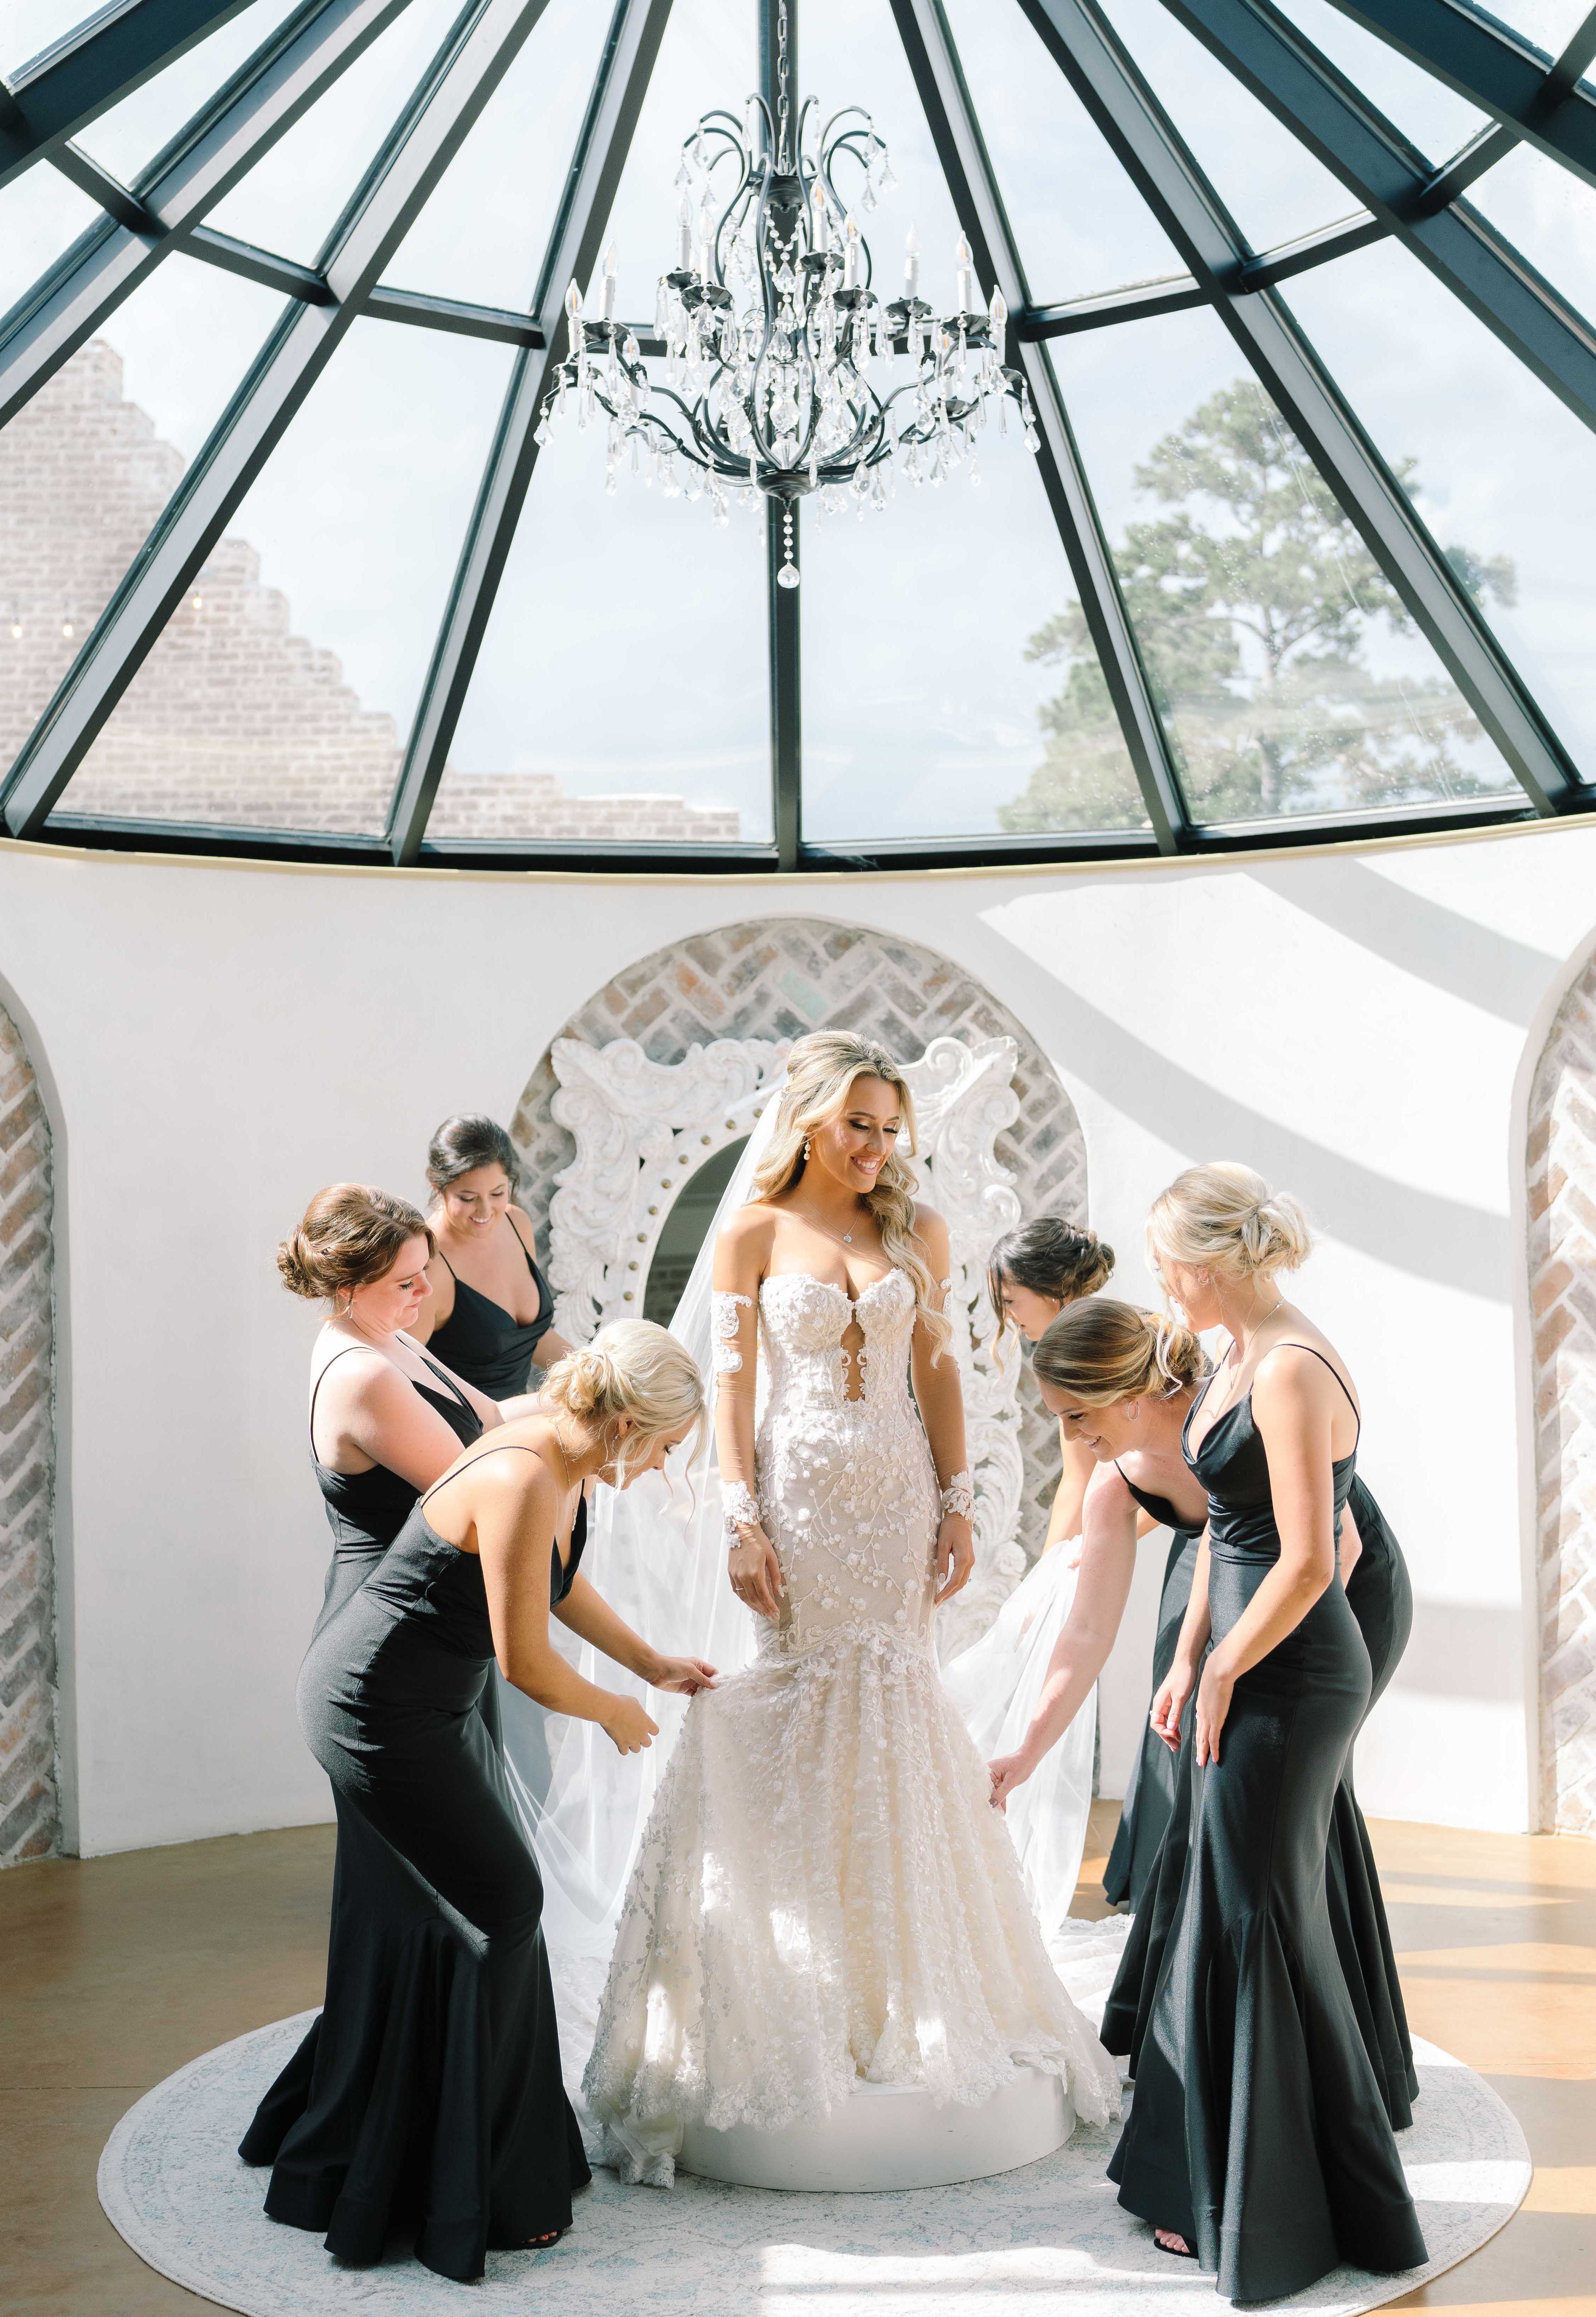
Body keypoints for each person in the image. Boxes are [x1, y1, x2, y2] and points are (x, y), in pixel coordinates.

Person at [581, 1032, 1121, 2184]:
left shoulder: (916, 1229)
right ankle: (805, 1971)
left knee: (894, 1692)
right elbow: (732, 1384)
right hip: (798, 1490)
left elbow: (939, 1370)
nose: (880, 1147)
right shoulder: (751, 1232)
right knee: (807, 1693)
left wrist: (960, 1499)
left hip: (895, 1491)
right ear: (811, 1121)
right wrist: (739, 1515)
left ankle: (903, 1976)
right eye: (861, 1124)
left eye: (892, 1127)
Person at [241, 1323, 718, 2281]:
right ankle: (474, 2179)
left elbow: (557, 1582)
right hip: (372, 1708)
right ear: (626, 1419)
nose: (665, 1463)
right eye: (665, 1444)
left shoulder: (567, 1453)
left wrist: (649, 1660)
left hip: (425, 1702)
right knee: (506, 1906)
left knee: (462, 1912)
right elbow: (528, 1661)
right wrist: (614, 1708)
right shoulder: (521, 1469)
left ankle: (425, 2147)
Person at [1105, 1164, 1425, 2298]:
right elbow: (1218, 1530)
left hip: (1293, 1673)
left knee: (1262, 1913)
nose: (1161, 1283)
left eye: (1165, 1262)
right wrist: (1189, 1654)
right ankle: (1212, 2178)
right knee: (1229, 1906)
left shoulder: (1289, 1367)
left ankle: (1303, 2205)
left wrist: (1230, 1666)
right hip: (1237, 1655)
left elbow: (1304, 1557)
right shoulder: (1232, 1355)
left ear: (1214, 1258)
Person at [982, 1300, 1213, 1928]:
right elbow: (1087, 1632)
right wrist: (1027, 1753)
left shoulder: (1224, 1415)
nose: (1077, 1438)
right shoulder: (1115, 1486)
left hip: (1344, 1581)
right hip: (1235, 1580)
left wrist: (1192, 1657)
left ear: (1124, 1388)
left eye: (1079, 1415)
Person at [413, 1113, 575, 1395]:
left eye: (498, 1193)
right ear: (437, 1186)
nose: (486, 1212)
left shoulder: (517, 1222)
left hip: (517, 1428)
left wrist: (595, 1370)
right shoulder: (428, 1265)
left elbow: (528, 1341)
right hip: (465, 1434)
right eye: (468, 1198)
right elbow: (404, 1376)